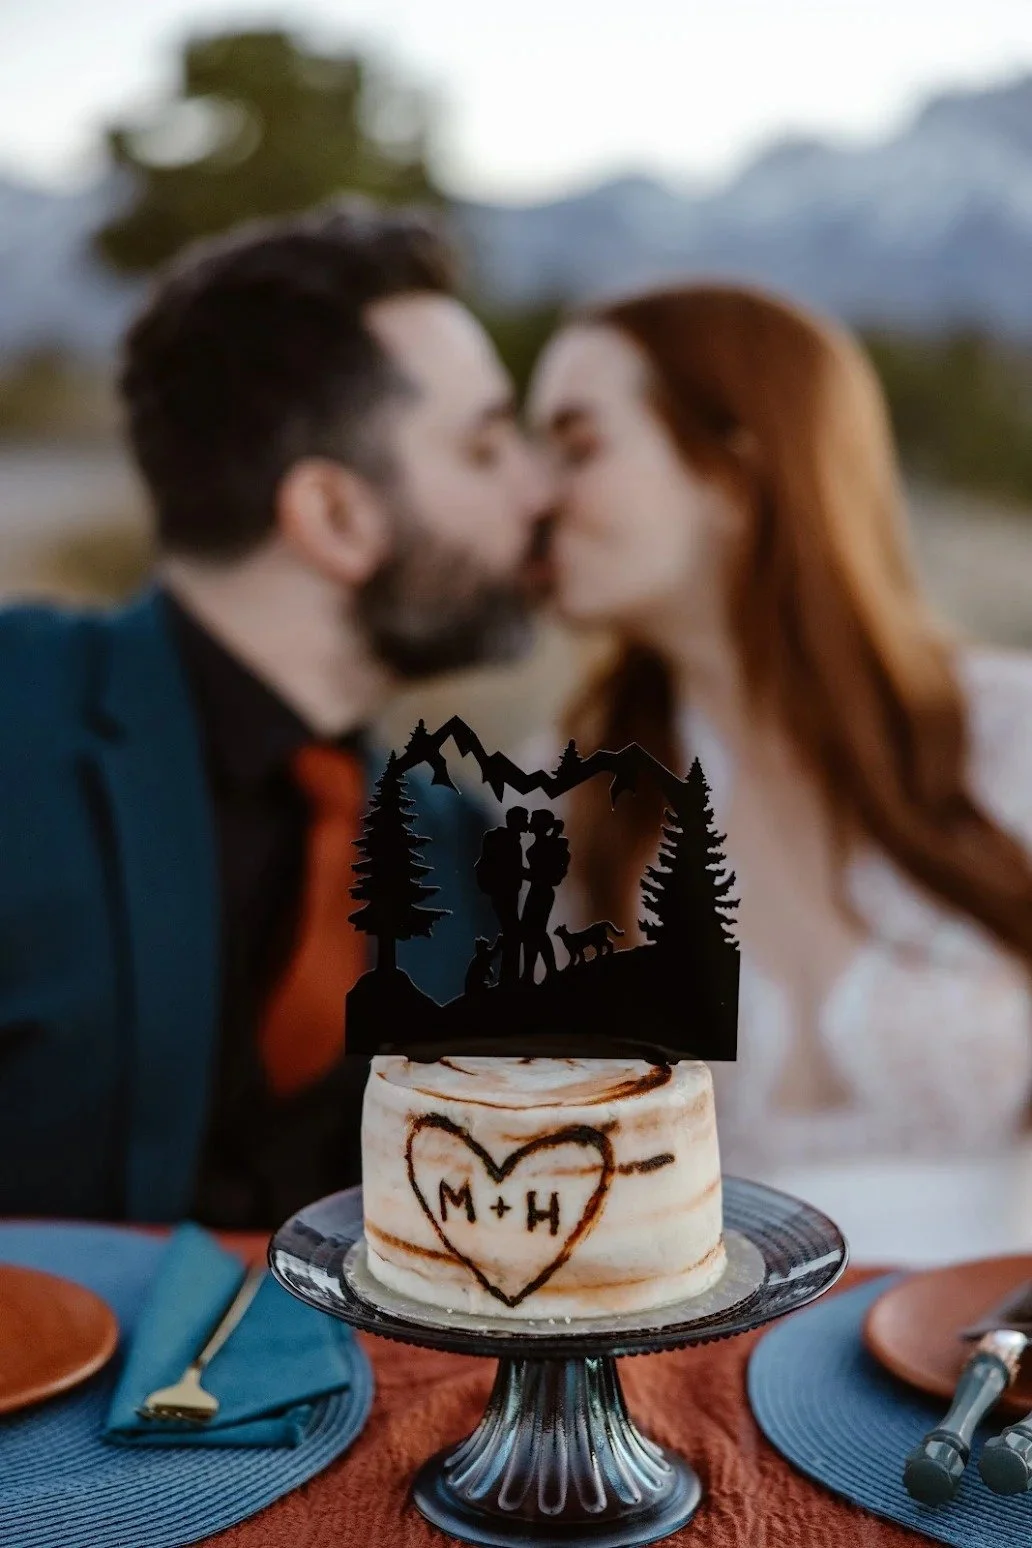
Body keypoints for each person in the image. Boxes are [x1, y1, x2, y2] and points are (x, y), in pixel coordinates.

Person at [0, 201, 553, 1226]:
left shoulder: (462, 847)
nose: (536, 491)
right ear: (335, 515)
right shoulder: (16, 718)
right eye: (485, 449)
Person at [527, 281, 1032, 1177]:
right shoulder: (564, 799)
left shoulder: (1007, 732)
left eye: (577, 447)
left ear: (732, 477)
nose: (532, 495)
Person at [474, 806, 529, 986]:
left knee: (512, 933)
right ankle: (509, 978)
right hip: (504, 895)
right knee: (513, 934)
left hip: (506, 894)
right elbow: (514, 869)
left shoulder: (505, 839)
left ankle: (508, 976)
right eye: (524, 819)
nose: (527, 823)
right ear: (514, 821)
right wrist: (535, 875)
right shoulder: (508, 841)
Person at [521, 812, 570, 983]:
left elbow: (542, 874)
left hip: (542, 892)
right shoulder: (544, 845)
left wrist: (523, 872)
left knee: (537, 932)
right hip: (536, 890)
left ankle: (551, 970)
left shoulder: (549, 845)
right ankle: (529, 973)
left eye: (533, 820)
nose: (530, 822)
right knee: (529, 932)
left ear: (541, 824)